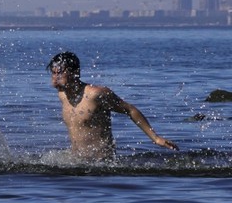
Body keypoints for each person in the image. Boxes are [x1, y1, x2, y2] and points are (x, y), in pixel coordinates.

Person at [48, 51, 178, 160]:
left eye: (59, 73)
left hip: (102, 163)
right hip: (78, 162)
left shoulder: (96, 94)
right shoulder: (63, 95)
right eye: (53, 73)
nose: (55, 78)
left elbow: (130, 110)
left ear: (76, 73)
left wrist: (155, 138)